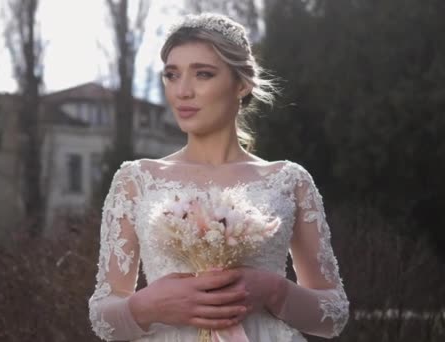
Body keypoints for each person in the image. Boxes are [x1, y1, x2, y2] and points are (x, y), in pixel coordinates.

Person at [88, 13, 349, 341]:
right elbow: (102, 315)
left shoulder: (289, 181)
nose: (182, 91)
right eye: (172, 75)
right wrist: (148, 306)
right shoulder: (135, 180)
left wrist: (274, 291)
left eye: (203, 74)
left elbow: (333, 314)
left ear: (242, 84)